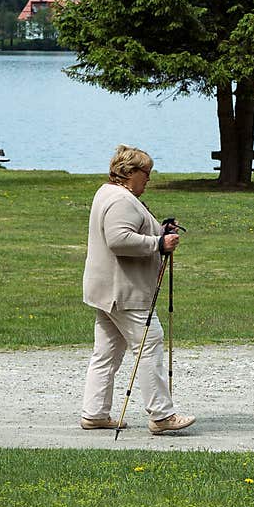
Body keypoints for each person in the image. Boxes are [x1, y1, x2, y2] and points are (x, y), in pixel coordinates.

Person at [80, 144, 196, 434]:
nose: (149, 179)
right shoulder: (121, 200)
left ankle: (95, 413)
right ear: (130, 172)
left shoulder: (108, 192)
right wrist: (158, 244)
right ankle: (161, 415)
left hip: (107, 291)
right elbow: (119, 239)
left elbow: (132, 229)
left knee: (106, 352)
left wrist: (161, 229)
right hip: (125, 292)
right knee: (149, 345)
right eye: (146, 173)